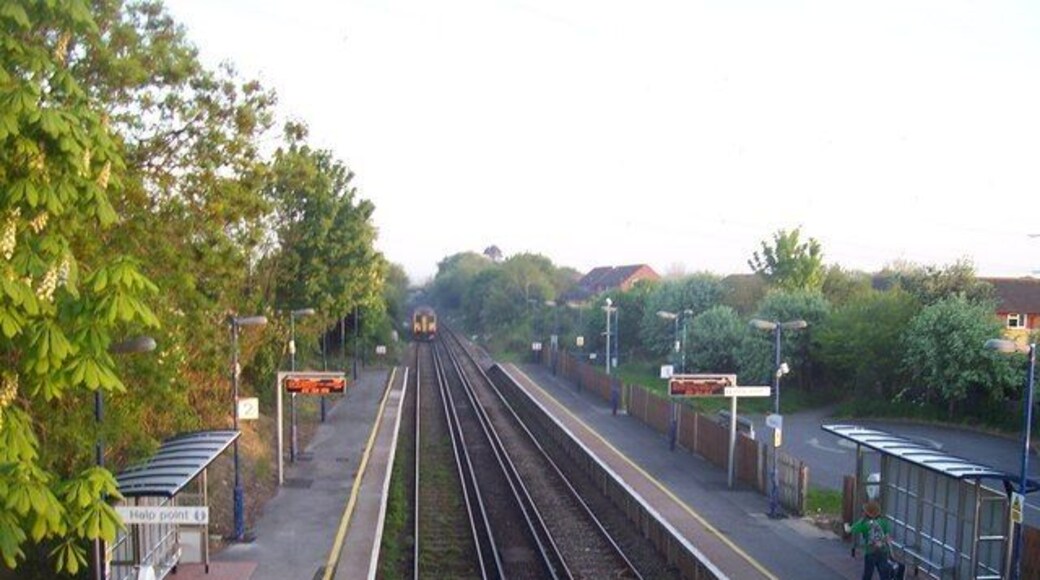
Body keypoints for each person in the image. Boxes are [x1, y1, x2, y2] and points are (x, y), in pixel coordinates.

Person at [850, 501, 892, 580]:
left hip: (870, 551)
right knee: (884, 573)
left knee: (868, 573)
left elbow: (852, 529)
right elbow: (888, 535)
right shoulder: (883, 521)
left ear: (866, 513)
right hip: (883, 550)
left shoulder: (864, 524)